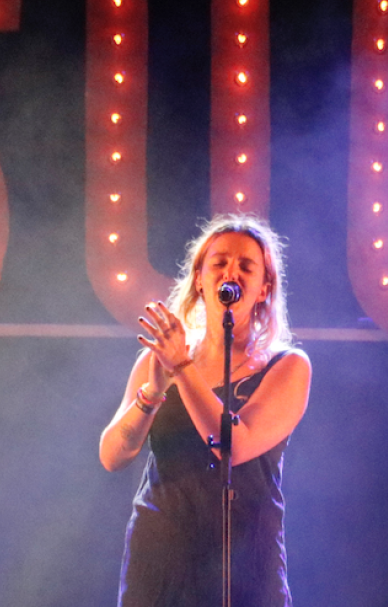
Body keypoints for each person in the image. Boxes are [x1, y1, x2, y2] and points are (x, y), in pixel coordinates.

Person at [99, 213, 312, 607]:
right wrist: (152, 393)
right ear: (200, 279)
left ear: (264, 289)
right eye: (219, 263)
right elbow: (113, 455)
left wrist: (183, 368)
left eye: (246, 266)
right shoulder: (161, 359)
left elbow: (233, 446)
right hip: (161, 555)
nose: (231, 271)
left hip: (243, 559)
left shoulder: (287, 367)